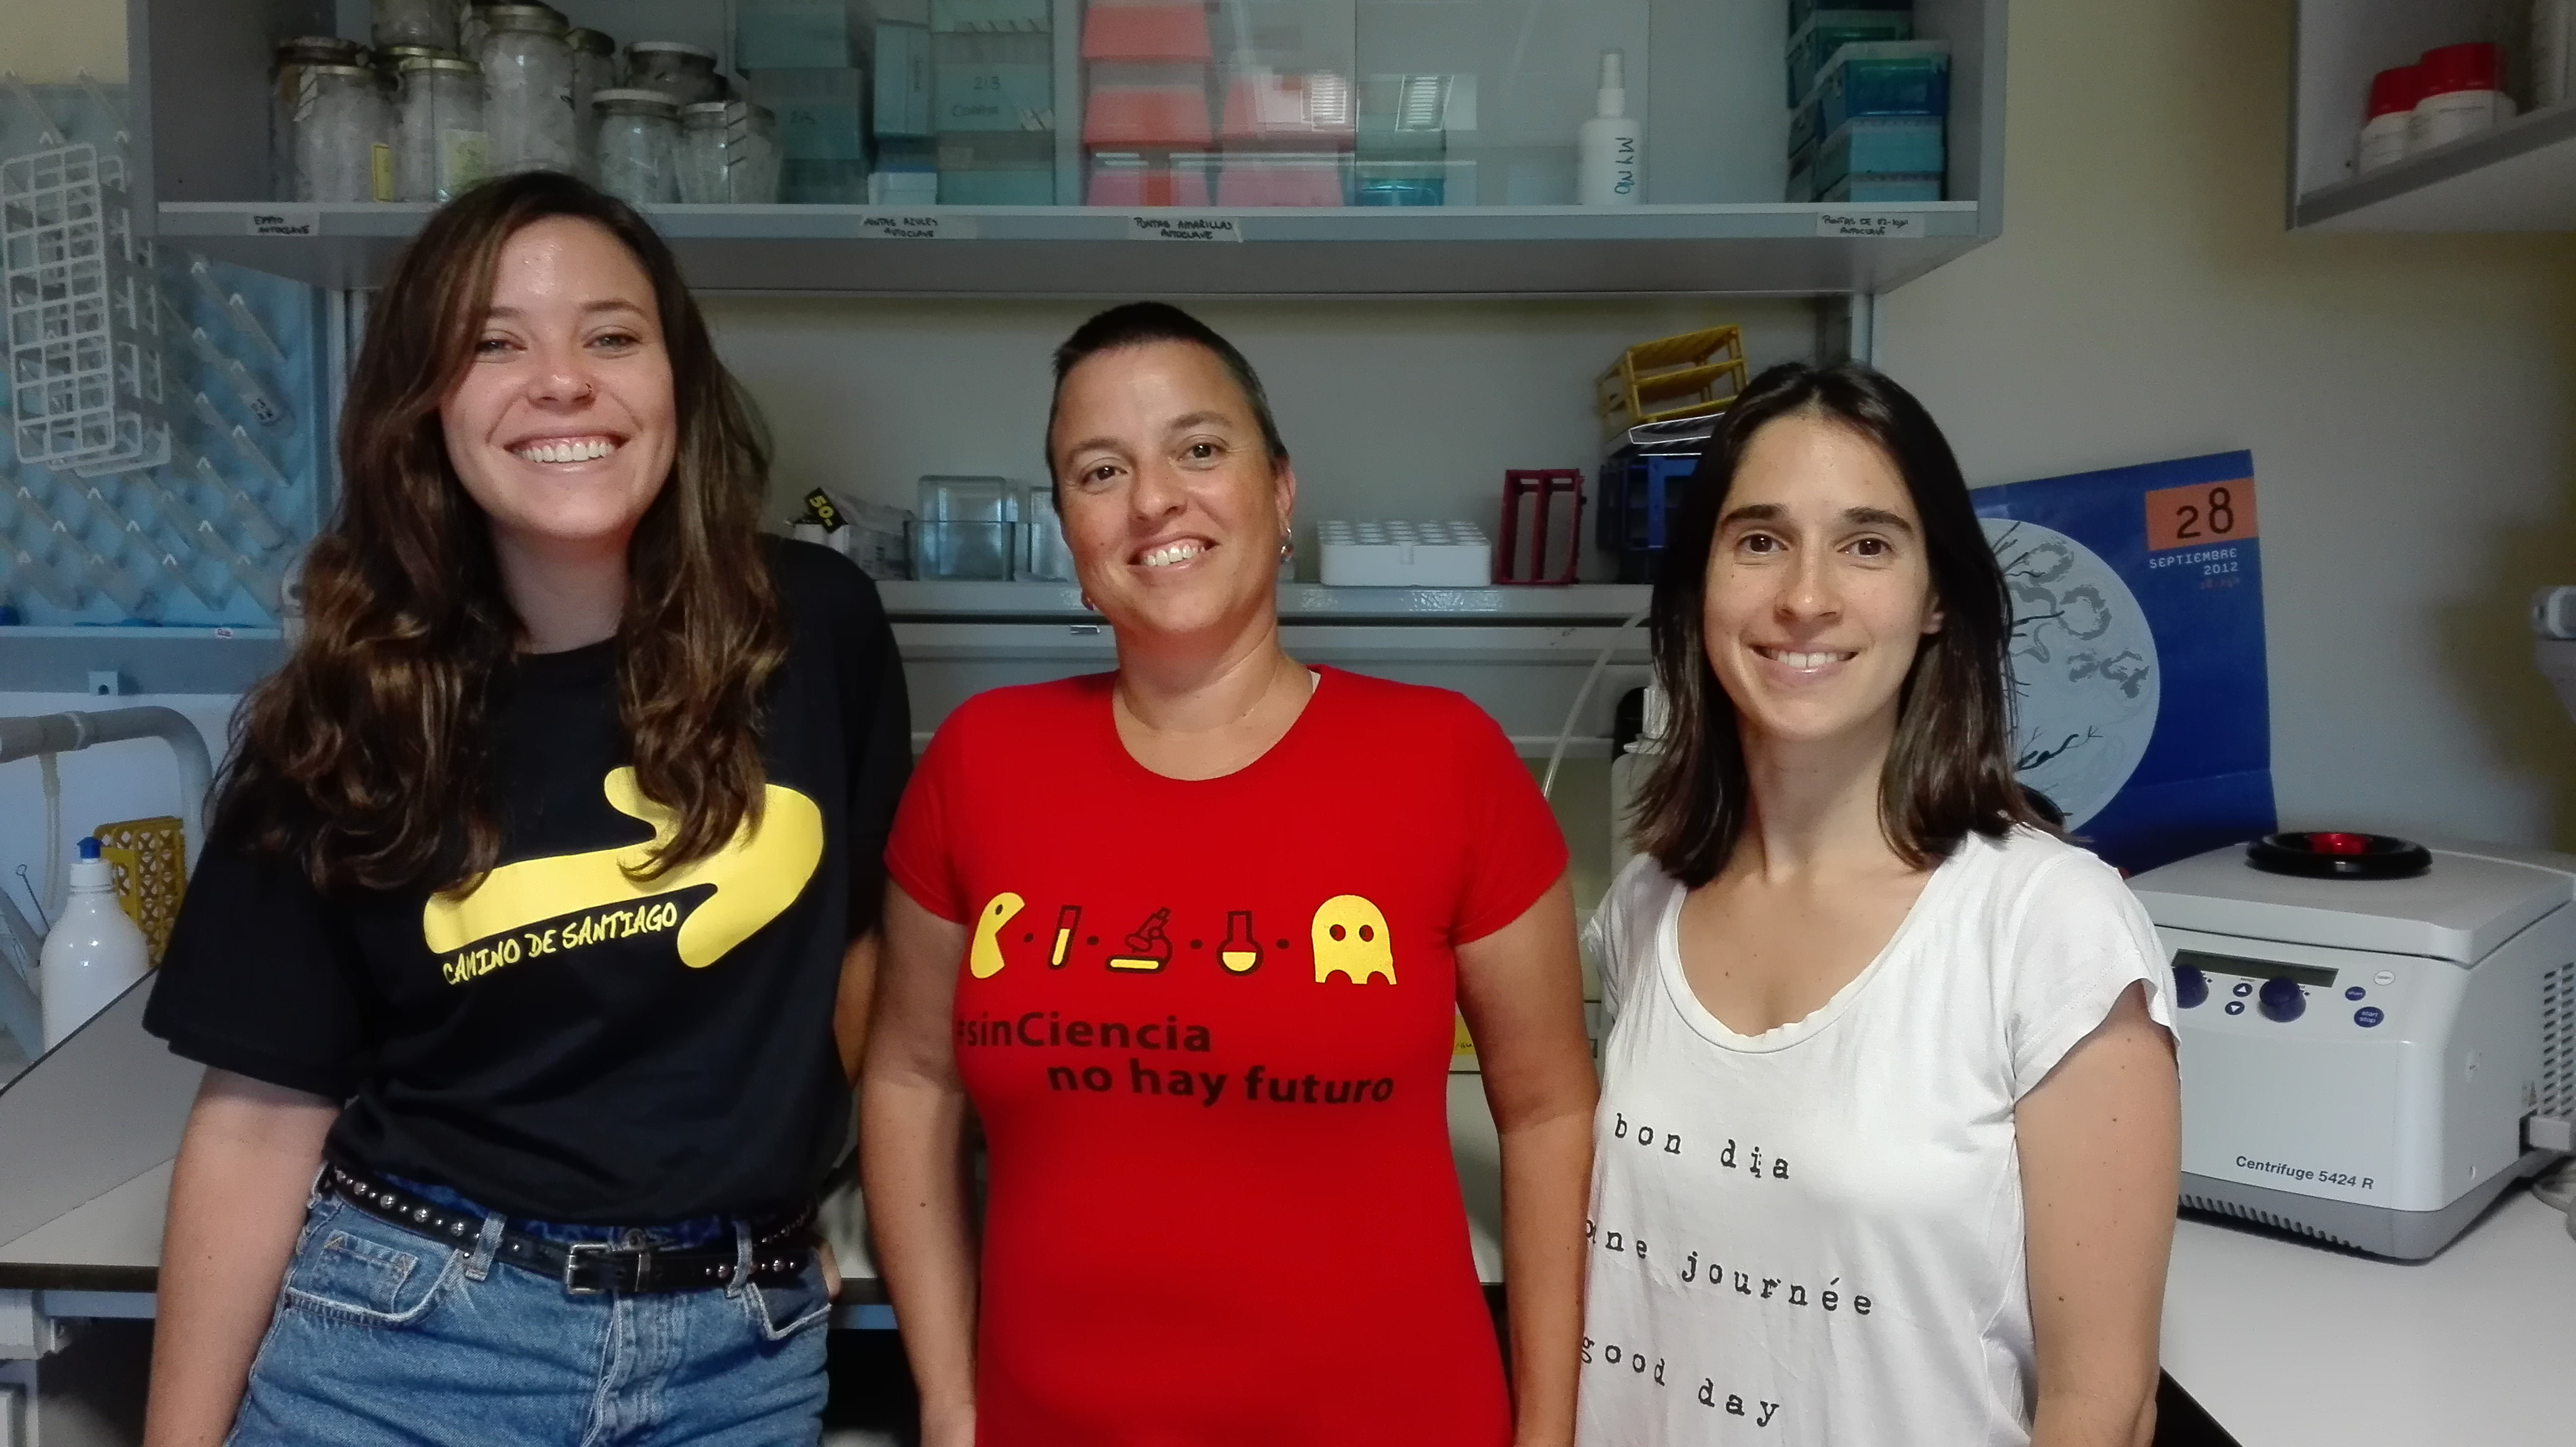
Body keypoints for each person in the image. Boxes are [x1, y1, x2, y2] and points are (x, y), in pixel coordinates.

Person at [139, 172, 911, 1447]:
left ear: (677, 380)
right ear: (425, 403)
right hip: (407, 1344)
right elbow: (261, 1118)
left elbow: (862, 965)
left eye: (611, 336)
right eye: (495, 345)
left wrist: (805, 1207)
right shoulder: (349, 709)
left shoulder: (814, 630)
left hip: (739, 1362)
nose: (562, 382)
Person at [863, 302, 1597, 1447]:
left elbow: (1549, 1110)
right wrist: (952, 1400)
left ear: (1281, 491)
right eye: (1101, 471)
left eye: (1199, 449)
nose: (1154, 499)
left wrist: (1548, 1432)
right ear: (1069, 530)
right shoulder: (979, 761)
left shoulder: (1445, 759)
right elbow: (910, 1079)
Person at [1577, 362, 2180, 1446]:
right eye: (1760, 540)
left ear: (1936, 595)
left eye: (1867, 545)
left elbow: (2104, 1403)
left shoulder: (2051, 927)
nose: (1806, 596)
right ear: (1701, 584)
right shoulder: (1643, 907)